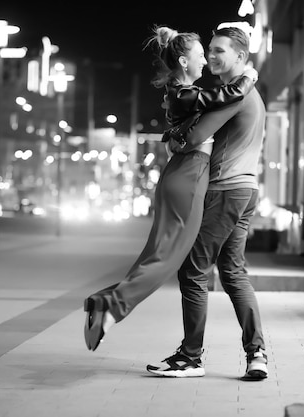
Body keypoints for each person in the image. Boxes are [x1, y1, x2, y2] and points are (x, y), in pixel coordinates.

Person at [83, 25, 257, 352]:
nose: (206, 61)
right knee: (167, 258)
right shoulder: (184, 93)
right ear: (183, 60)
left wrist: (175, 140)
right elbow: (228, 97)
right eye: (201, 55)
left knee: (156, 254)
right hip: (189, 178)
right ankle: (111, 311)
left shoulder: (181, 92)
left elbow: (186, 130)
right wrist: (249, 76)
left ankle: (103, 301)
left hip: (180, 175)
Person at [146, 26, 269, 380]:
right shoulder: (248, 93)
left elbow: (192, 137)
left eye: (219, 52)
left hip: (225, 190)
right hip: (245, 190)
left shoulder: (235, 96)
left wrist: (173, 138)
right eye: (210, 50)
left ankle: (190, 356)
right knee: (232, 272)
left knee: (194, 271)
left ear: (241, 58)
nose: (212, 57)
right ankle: (256, 353)